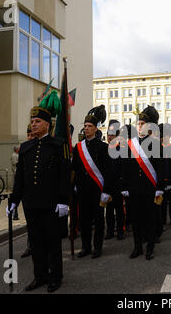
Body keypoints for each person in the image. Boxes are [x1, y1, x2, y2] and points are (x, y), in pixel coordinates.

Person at [8, 106, 71, 293]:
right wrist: (13, 201)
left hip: (51, 204)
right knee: (36, 242)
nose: (33, 125)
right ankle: (40, 276)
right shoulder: (26, 147)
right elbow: (20, 177)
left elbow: (64, 176)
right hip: (31, 203)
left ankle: (55, 276)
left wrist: (63, 201)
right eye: (32, 122)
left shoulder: (58, 145)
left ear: (47, 124)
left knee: (52, 241)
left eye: (37, 122)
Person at [121, 106, 165, 260]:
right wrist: (125, 186)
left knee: (150, 219)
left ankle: (150, 248)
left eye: (142, 124)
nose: (140, 126)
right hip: (134, 188)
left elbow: (160, 167)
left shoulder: (155, 144)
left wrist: (159, 188)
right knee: (136, 219)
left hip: (150, 188)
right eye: (138, 124)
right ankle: (137, 247)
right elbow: (125, 167)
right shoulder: (130, 144)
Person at [72, 105, 111, 259]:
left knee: (99, 220)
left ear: (96, 129)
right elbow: (74, 168)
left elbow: (108, 172)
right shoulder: (78, 148)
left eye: (90, 126)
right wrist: (74, 186)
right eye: (85, 126)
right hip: (82, 190)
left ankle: (98, 248)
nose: (86, 129)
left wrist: (106, 191)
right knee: (84, 221)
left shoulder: (103, 147)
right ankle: (86, 247)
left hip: (97, 190)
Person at [105, 120, 125, 241]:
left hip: (119, 184)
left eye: (112, 134)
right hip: (108, 184)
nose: (109, 137)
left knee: (119, 209)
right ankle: (110, 230)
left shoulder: (122, 149)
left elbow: (124, 168)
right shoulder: (105, 149)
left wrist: (124, 185)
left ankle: (120, 230)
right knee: (108, 210)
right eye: (108, 134)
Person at [20, 124, 35, 258]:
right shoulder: (23, 149)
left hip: (39, 194)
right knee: (29, 222)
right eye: (28, 135)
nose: (30, 137)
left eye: (32, 135)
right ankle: (30, 246)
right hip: (26, 193)